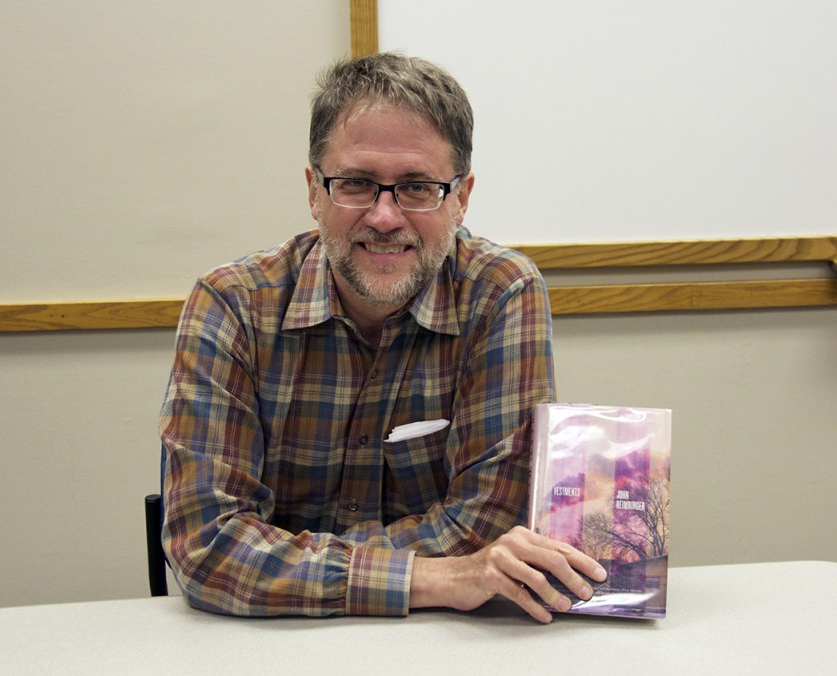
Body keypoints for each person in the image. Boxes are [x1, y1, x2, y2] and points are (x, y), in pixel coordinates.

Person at [158, 52, 606, 623]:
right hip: (269, 643)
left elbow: (491, 524)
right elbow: (208, 547)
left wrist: (283, 564)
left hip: (443, 642)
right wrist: (433, 575)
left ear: (461, 197)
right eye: (356, 184)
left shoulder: (499, 293)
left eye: (418, 187)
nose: (385, 217)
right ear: (314, 191)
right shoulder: (232, 304)